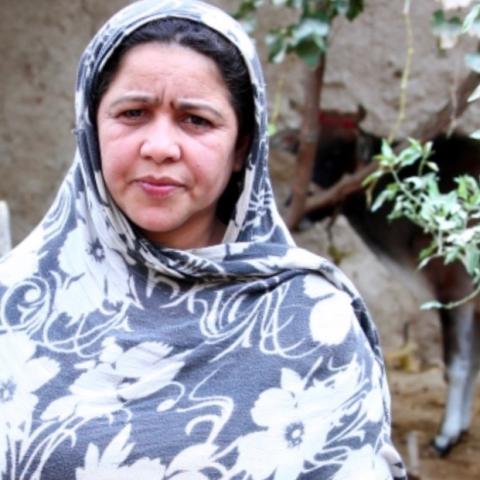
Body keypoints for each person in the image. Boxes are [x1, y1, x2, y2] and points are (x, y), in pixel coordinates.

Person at [0, 1, 406, 478]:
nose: (159, 147)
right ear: (91, 128)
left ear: (242, 149)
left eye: (196, 120)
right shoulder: (17, 304)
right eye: (133, 113)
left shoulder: (310, 322)